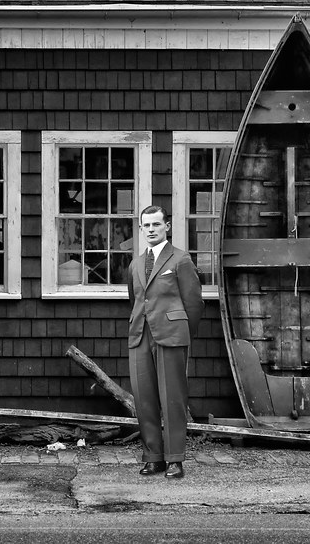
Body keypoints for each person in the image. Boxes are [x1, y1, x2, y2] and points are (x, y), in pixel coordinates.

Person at [126, 205, 205, 479]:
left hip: (171, 335)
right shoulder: (135, 263)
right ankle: (153, 458)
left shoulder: (181, 260)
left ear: (167, 227)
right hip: (140, 335)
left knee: (172, 398)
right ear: (140, 229)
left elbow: (194, 303)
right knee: (144, 398)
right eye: (146, 226)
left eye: (156, 225)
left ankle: (174, 459)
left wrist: (183, 333)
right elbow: (135, 300)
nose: (151, 230)